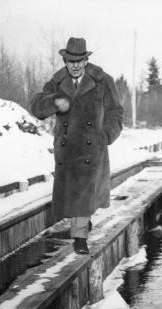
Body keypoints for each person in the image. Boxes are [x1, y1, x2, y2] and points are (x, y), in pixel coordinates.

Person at [30, 37, 124, 255]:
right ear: (65, 60)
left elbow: (116, 111)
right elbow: (36, 106)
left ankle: (79, 237)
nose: (75, 65)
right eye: (70, 61)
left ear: (86, 60)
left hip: (93, 148)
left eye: (79, 60)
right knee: (74, 197)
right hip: (67, 148)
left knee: (83, 192)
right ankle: (82, 223)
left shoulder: (102, 81)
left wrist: (106, 134)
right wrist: (54, 102)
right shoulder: (57, 81)